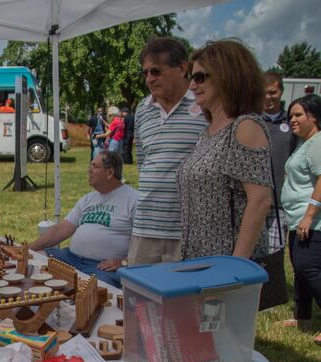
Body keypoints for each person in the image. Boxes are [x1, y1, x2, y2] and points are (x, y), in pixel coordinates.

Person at [177, 40, 273, 260]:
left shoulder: (245, 126)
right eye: (192, 77)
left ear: (226, 77)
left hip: (227, 268)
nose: (192, 86)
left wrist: (235, 266)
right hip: (200, 261)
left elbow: (259, 201)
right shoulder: (207, 133)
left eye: (200, 77)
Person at [128, 37, 208, 265]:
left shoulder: (205, 105)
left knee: (184, 299)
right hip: (145, 226)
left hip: (187, 230)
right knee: (141, 297)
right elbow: (143, 163)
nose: (149, 79)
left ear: (182, 69)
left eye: (156, 71)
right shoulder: (142, 110)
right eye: (145, 73)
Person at [31, 151, 138, 288]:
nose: (89, 170)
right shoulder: (88, 198)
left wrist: (124, 263)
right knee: (34, 260)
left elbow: (147, 243)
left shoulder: (133, 200)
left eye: (95, 166)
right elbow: (61, 229)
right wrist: (29, 249)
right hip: (70, 257)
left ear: (110, 173)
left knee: (97, 294)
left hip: (100, 267)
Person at [279, 94, 321, 345]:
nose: (293, 120)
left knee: (308, 267)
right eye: (291, 115)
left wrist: (309, 215)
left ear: (313, 117)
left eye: (298, 115)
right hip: (298, 219)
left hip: (312, 222)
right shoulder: (305, 143)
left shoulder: (316, 143)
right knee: (300, 269)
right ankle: (302, 316)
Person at [261, 71, 292, 307]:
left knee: (274, 250)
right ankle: (255, 289)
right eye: (264, 92)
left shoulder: (291, 124)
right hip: (254, 199)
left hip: (280, 200)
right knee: (253, 247)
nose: (268, 97)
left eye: (273, 92)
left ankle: (272, 294)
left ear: (280, 92)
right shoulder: (252, 121)